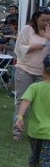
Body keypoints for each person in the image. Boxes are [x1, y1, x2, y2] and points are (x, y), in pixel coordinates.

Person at [14, 53, 50, 167]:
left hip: (35, 131)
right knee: (46, 162)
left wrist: (20, 118)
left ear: (43, 69)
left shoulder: (35, 87)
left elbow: (25, 102)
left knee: (34, 158)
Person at [12, 7, 50, 140]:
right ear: (36, 18)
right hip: (25, 69)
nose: (46, 22)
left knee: (41, 102)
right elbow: (18, 48)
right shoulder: (27, 30)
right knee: (22, 100)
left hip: (43, 73)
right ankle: (17, 130)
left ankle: (39, 129)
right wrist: (31, 48)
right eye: (43, 20)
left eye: (48, 20)